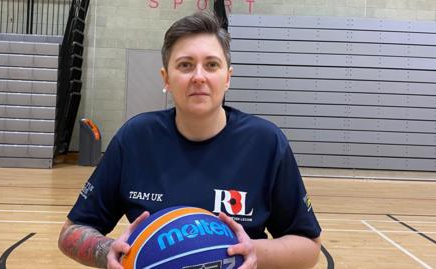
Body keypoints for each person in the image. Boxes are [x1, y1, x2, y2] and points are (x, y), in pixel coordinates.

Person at [58, 10, 322, 269]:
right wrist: (106, 252)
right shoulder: (135, 139)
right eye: (185, 65)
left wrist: (255, 251)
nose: (199, 76)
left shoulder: (266, 143)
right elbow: (70, 233)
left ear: (227, 77)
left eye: (211, 64)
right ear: (166, 79)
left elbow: (309, 247)